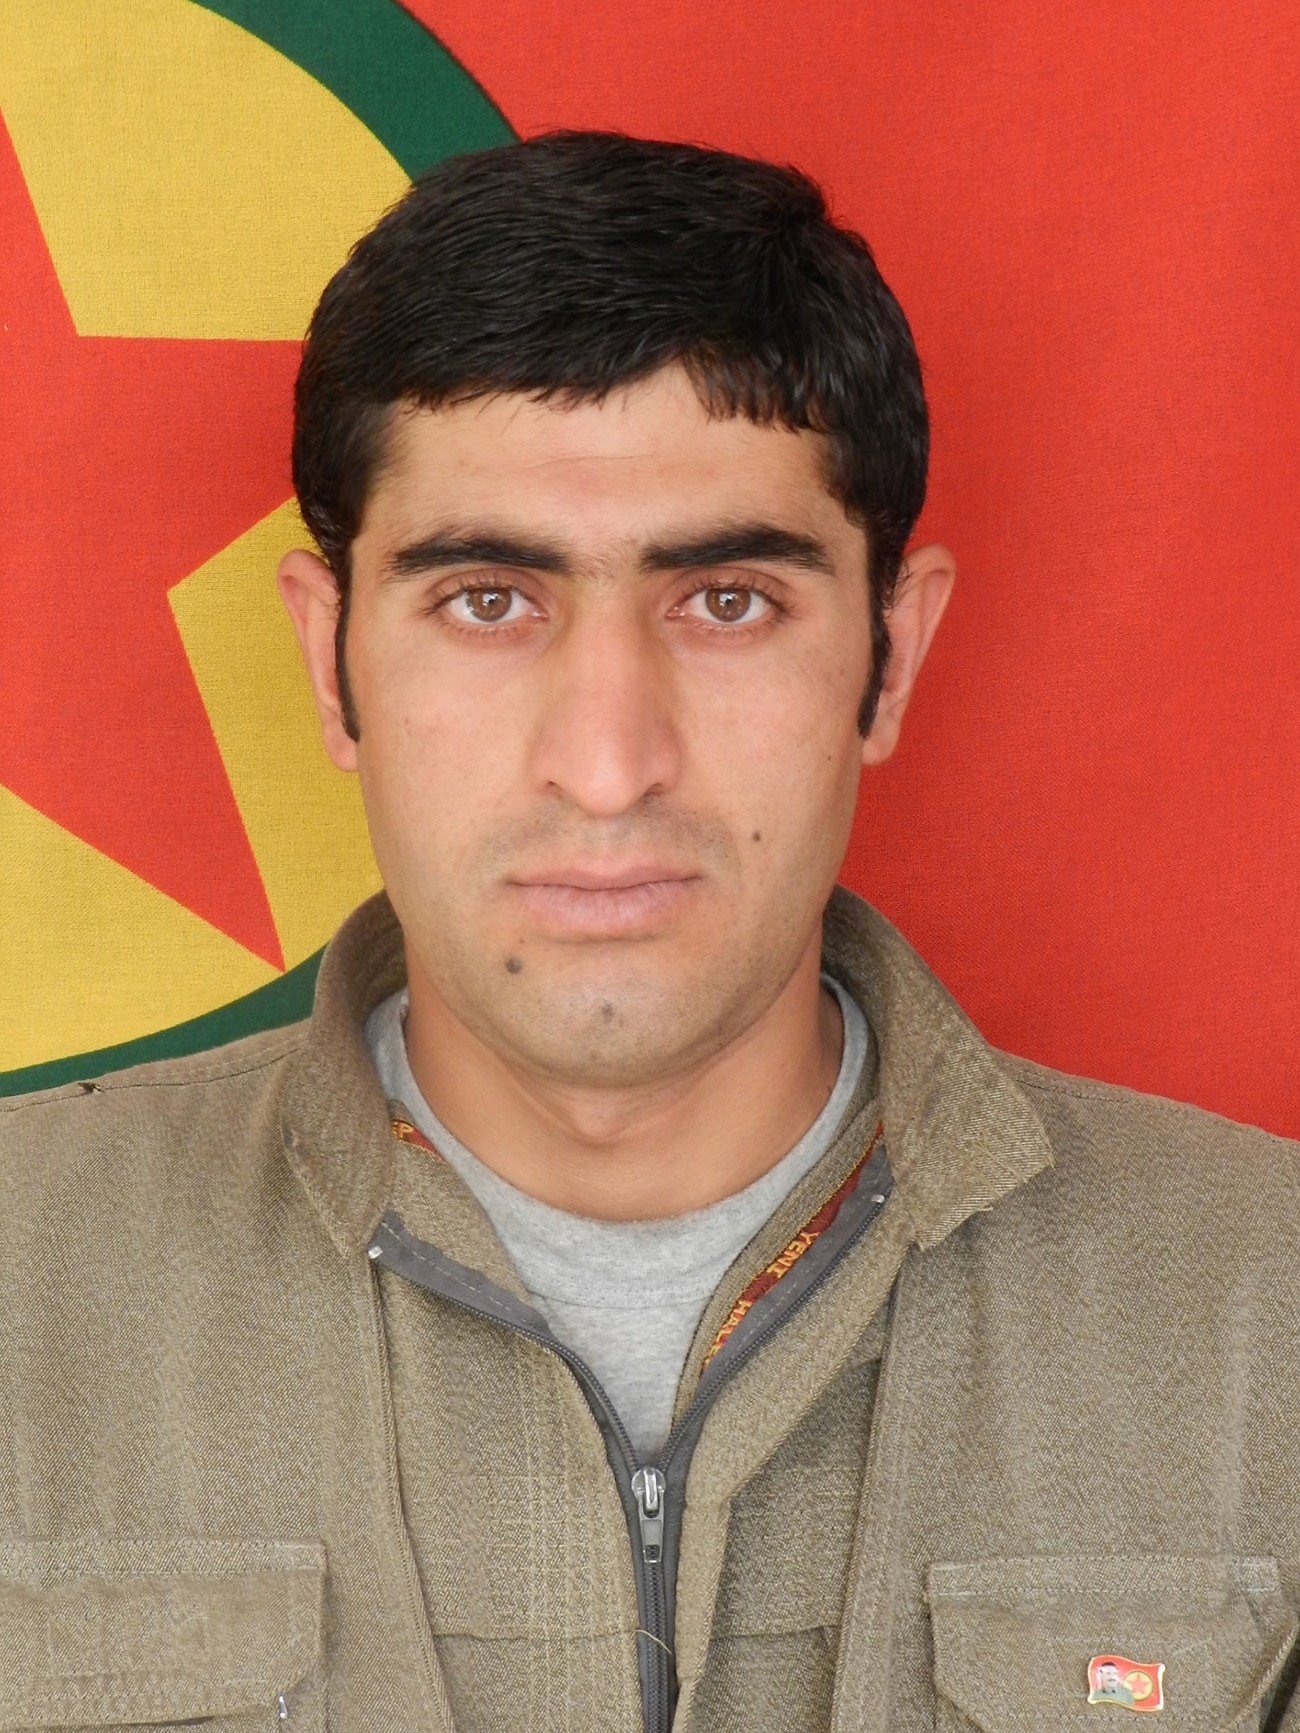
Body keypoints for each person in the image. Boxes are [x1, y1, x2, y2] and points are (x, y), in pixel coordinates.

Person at [2, 132, 1297, 1733]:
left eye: (729, 599)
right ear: (332, 664)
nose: (609, 762)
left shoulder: (1270, 1315)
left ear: (890, 658)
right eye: (488, 598)